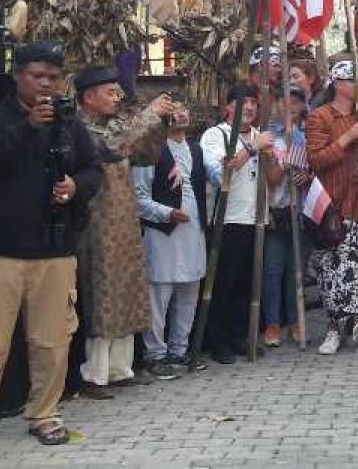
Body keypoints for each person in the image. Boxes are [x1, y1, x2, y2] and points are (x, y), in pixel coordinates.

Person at [0, 43, 102, 457]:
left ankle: (45, 416)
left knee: (51, 344)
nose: (46, 84)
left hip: (54, 253)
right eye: (37, 76)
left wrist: (76, 186)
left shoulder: (70, 124)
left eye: (52, 77)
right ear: (19, 77)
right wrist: (28, 127)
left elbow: (93, 169)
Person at [74, 66, 172, 399]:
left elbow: (147, 155)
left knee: (126, 286)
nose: (117, 99)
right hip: (97, 218)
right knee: (102, 292)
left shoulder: (117, 123)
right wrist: (148, 114)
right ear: (88, 97)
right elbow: (112, 148)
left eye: (119, 93)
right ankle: (94, 374)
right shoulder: (79, 128)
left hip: (125, 217)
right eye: (111, 93)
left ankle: (119, 368)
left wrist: (161, 122)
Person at [200, 82, 283, 364]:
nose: (249, 107)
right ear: (228, 107)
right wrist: (251, 148)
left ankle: (238, 336)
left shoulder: (260, 136)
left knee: (248, 284)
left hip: (256, 219)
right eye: (243, 102)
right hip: (227, 218)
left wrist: (273, 160)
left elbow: (272, 181)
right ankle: (218, 340)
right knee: (224, 282)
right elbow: (222, 172)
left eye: (253, 103)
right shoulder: (216, 135)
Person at [305, 61, 358, 355]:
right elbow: (317, 159)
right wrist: (347, 139)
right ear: (338, 83)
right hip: (333, 208)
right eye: (354, 80)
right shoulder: (320, 117)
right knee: (333, 275)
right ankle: (334, 330)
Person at [133, 100, 208, 380]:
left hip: (194, 233)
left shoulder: (197, 149)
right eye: (172, 108)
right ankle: (155, 355)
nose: (180, 112)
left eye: (184, 106)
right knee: (159, 295)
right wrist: (166, 213)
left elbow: (215, 176)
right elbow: (138, 197)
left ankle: (180, 349)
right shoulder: (148, 151)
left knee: (189, 293)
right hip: (162, 233)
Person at [262, 85, 309, 347]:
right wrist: (285, 163)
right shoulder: (269, 138)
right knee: (273, 269)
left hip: (299, 212)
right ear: (277, 104)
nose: (290, 106)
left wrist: (306, 176)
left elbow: (312, 175)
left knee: (296, 270)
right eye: (285, 101)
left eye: (296, 101)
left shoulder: (306, 137)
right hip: (275, 213)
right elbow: (271, 179)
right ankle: (272, 323)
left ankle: (295, 321)